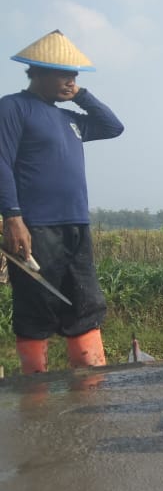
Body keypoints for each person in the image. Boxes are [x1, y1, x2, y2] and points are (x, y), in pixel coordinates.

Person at [0, 30, 124, 375]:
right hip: (36, 226)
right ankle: (34, 396)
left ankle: (89, 387)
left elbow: (113, 127)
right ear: (37, 72)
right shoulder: (13, 108)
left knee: (85, 304)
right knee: (36, 307)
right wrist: (12, 218)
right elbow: (1, 162)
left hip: (76, 225)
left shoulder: (69, 118)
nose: (71, 81)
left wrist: (82, 96)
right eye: (64, 74)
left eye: (75, 76)